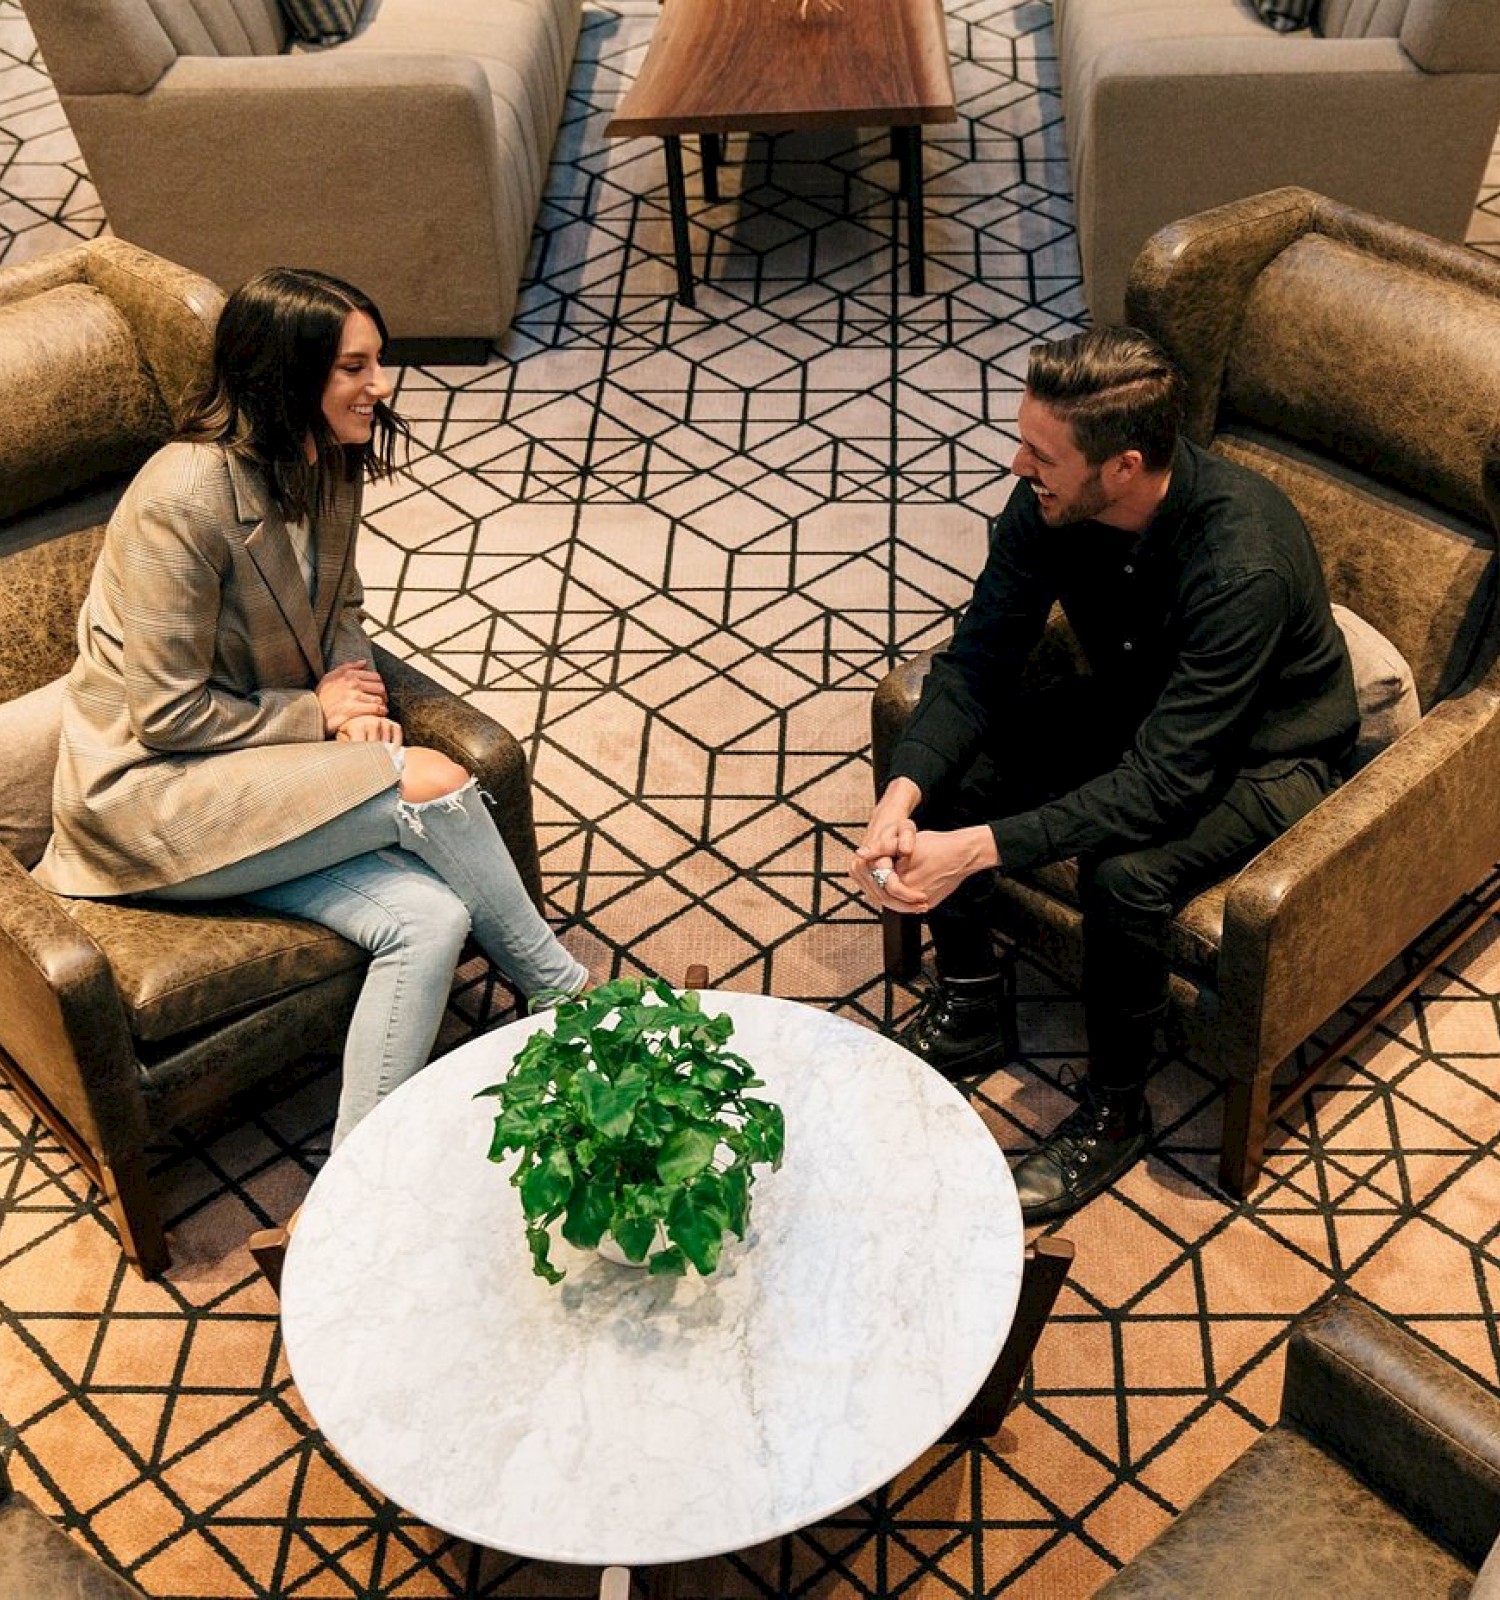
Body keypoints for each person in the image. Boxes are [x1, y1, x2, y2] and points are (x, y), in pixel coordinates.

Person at [33, 265, 589, 1160]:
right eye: (354, 368)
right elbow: (167, 715)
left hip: (249, 773)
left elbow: (341, 610)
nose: (383, 386)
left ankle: (352, 1178)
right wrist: (318, 714)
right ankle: (566, 998)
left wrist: (358, 702)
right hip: (149, 798)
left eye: (381, 361)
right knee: (436, 784)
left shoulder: (326, 461)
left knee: (429, 921)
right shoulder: (182, 500)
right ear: (284, 375)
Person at [851, 326, 1358, 1223]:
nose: (1016, 463)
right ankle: (972, 1007)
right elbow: (978, 661)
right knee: (959, 773)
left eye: (1040, 452)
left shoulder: (1242, 560)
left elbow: (1166, 782)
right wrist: (906, 792)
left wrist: (975, 851)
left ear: (1123, 467)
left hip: (1267, 755)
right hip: (1140, 707)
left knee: (1125, 876)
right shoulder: (1050, 506)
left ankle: (1117, 1112)